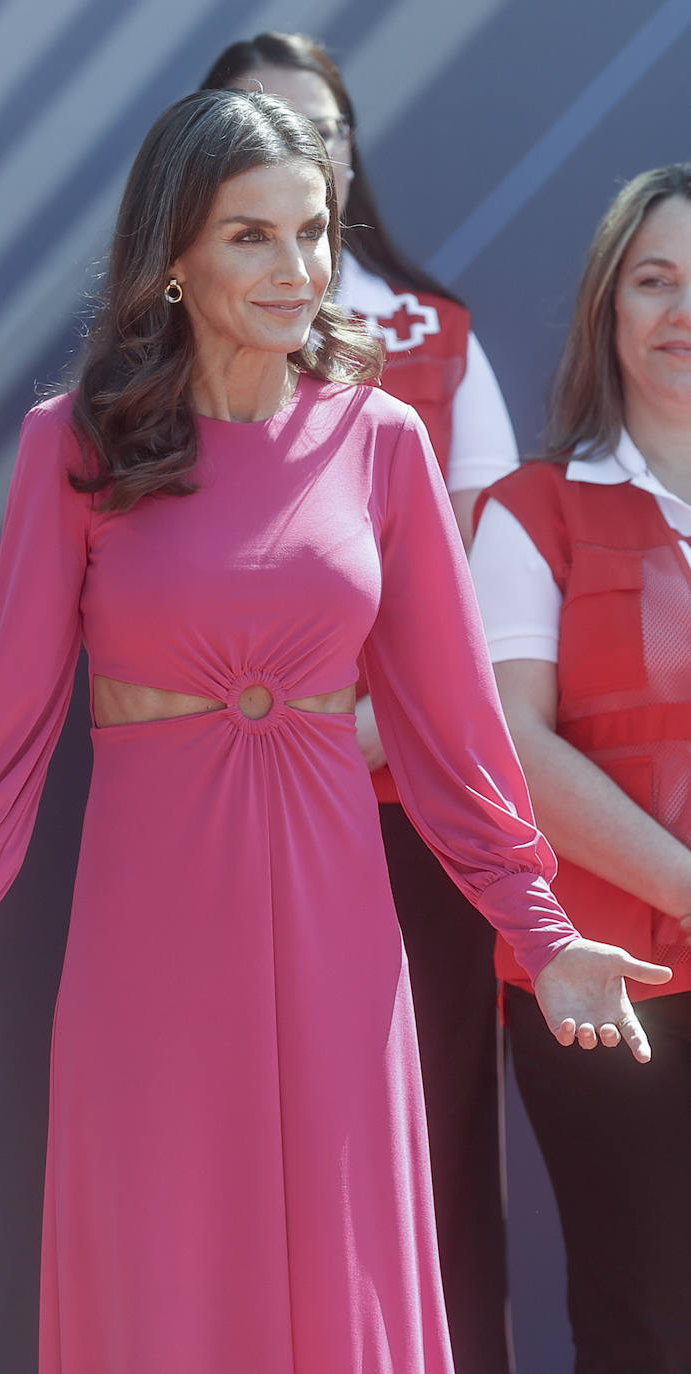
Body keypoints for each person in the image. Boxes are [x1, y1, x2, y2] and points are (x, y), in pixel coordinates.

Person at [0, 93, 669, 1374]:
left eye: (312, 233)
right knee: (162, 1278)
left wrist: (541, 938)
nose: (297, 269)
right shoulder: (75, 448)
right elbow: (5, 736)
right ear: (174, 254)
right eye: (250, 236)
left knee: (344, 1271)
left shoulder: (381, 441)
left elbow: (455, 740)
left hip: (335, 922)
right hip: (150, 927)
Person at [202, 34, 519, 1373]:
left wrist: (370, 722)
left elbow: (484, 573)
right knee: (238, 1135)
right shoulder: (171, 357)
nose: (297, 146)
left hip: (406, 814)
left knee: (429, 1126)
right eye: (263, 123)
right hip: (228, 806)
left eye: (319, 128)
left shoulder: (435, 337)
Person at [469, 162, 691, 1373]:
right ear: (609, 309)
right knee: (643, 1316)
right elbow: (513, 738)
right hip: (616, 990)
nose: (679, 312)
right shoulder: (532, 510)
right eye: (653, 280)